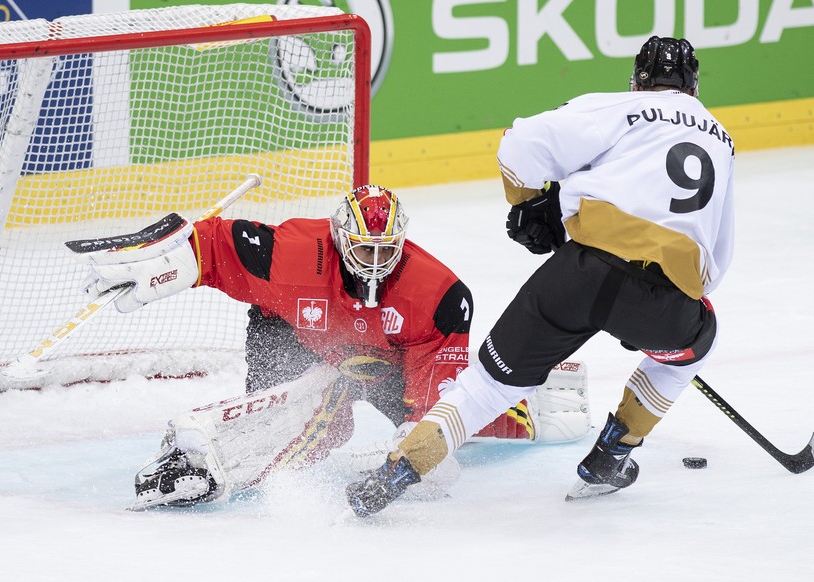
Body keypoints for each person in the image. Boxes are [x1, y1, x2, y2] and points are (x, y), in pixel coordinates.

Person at [346, 36, 735, 515]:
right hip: (664, 303)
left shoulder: (618, 108)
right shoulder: (722, 139)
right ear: (694, 87)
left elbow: (519, 144)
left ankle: (397, 471)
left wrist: (531, 206)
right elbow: (714, 259)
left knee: (487, 388)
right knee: (694, 347)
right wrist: (649, 311)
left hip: (579, 276)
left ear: (637, 81)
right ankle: (609, 460)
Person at [69, 184, 554, 509]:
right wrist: (179, 261)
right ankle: (238, 455)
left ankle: (529, 409)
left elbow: (430, 408)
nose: (376, 263)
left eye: (388, 251)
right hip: (298, 338)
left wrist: (406, 462)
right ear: (342, 240)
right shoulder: (295, 255)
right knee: (296, 418)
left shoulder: (441, 297)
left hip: (393, 365)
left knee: (443, 453)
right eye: (366, 249)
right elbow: (215, 245)